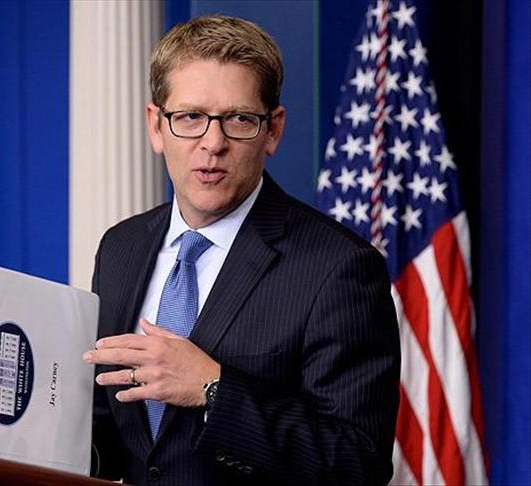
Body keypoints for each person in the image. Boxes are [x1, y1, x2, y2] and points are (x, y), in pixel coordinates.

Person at [82, 15, 400, 485]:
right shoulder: (121, 247)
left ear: (272, 131)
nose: (213, 143)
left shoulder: (339, 267)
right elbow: (117, 438)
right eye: (190, 117)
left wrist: (213, 389)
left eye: (239, 119)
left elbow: (357, 463)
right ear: (156, 126)